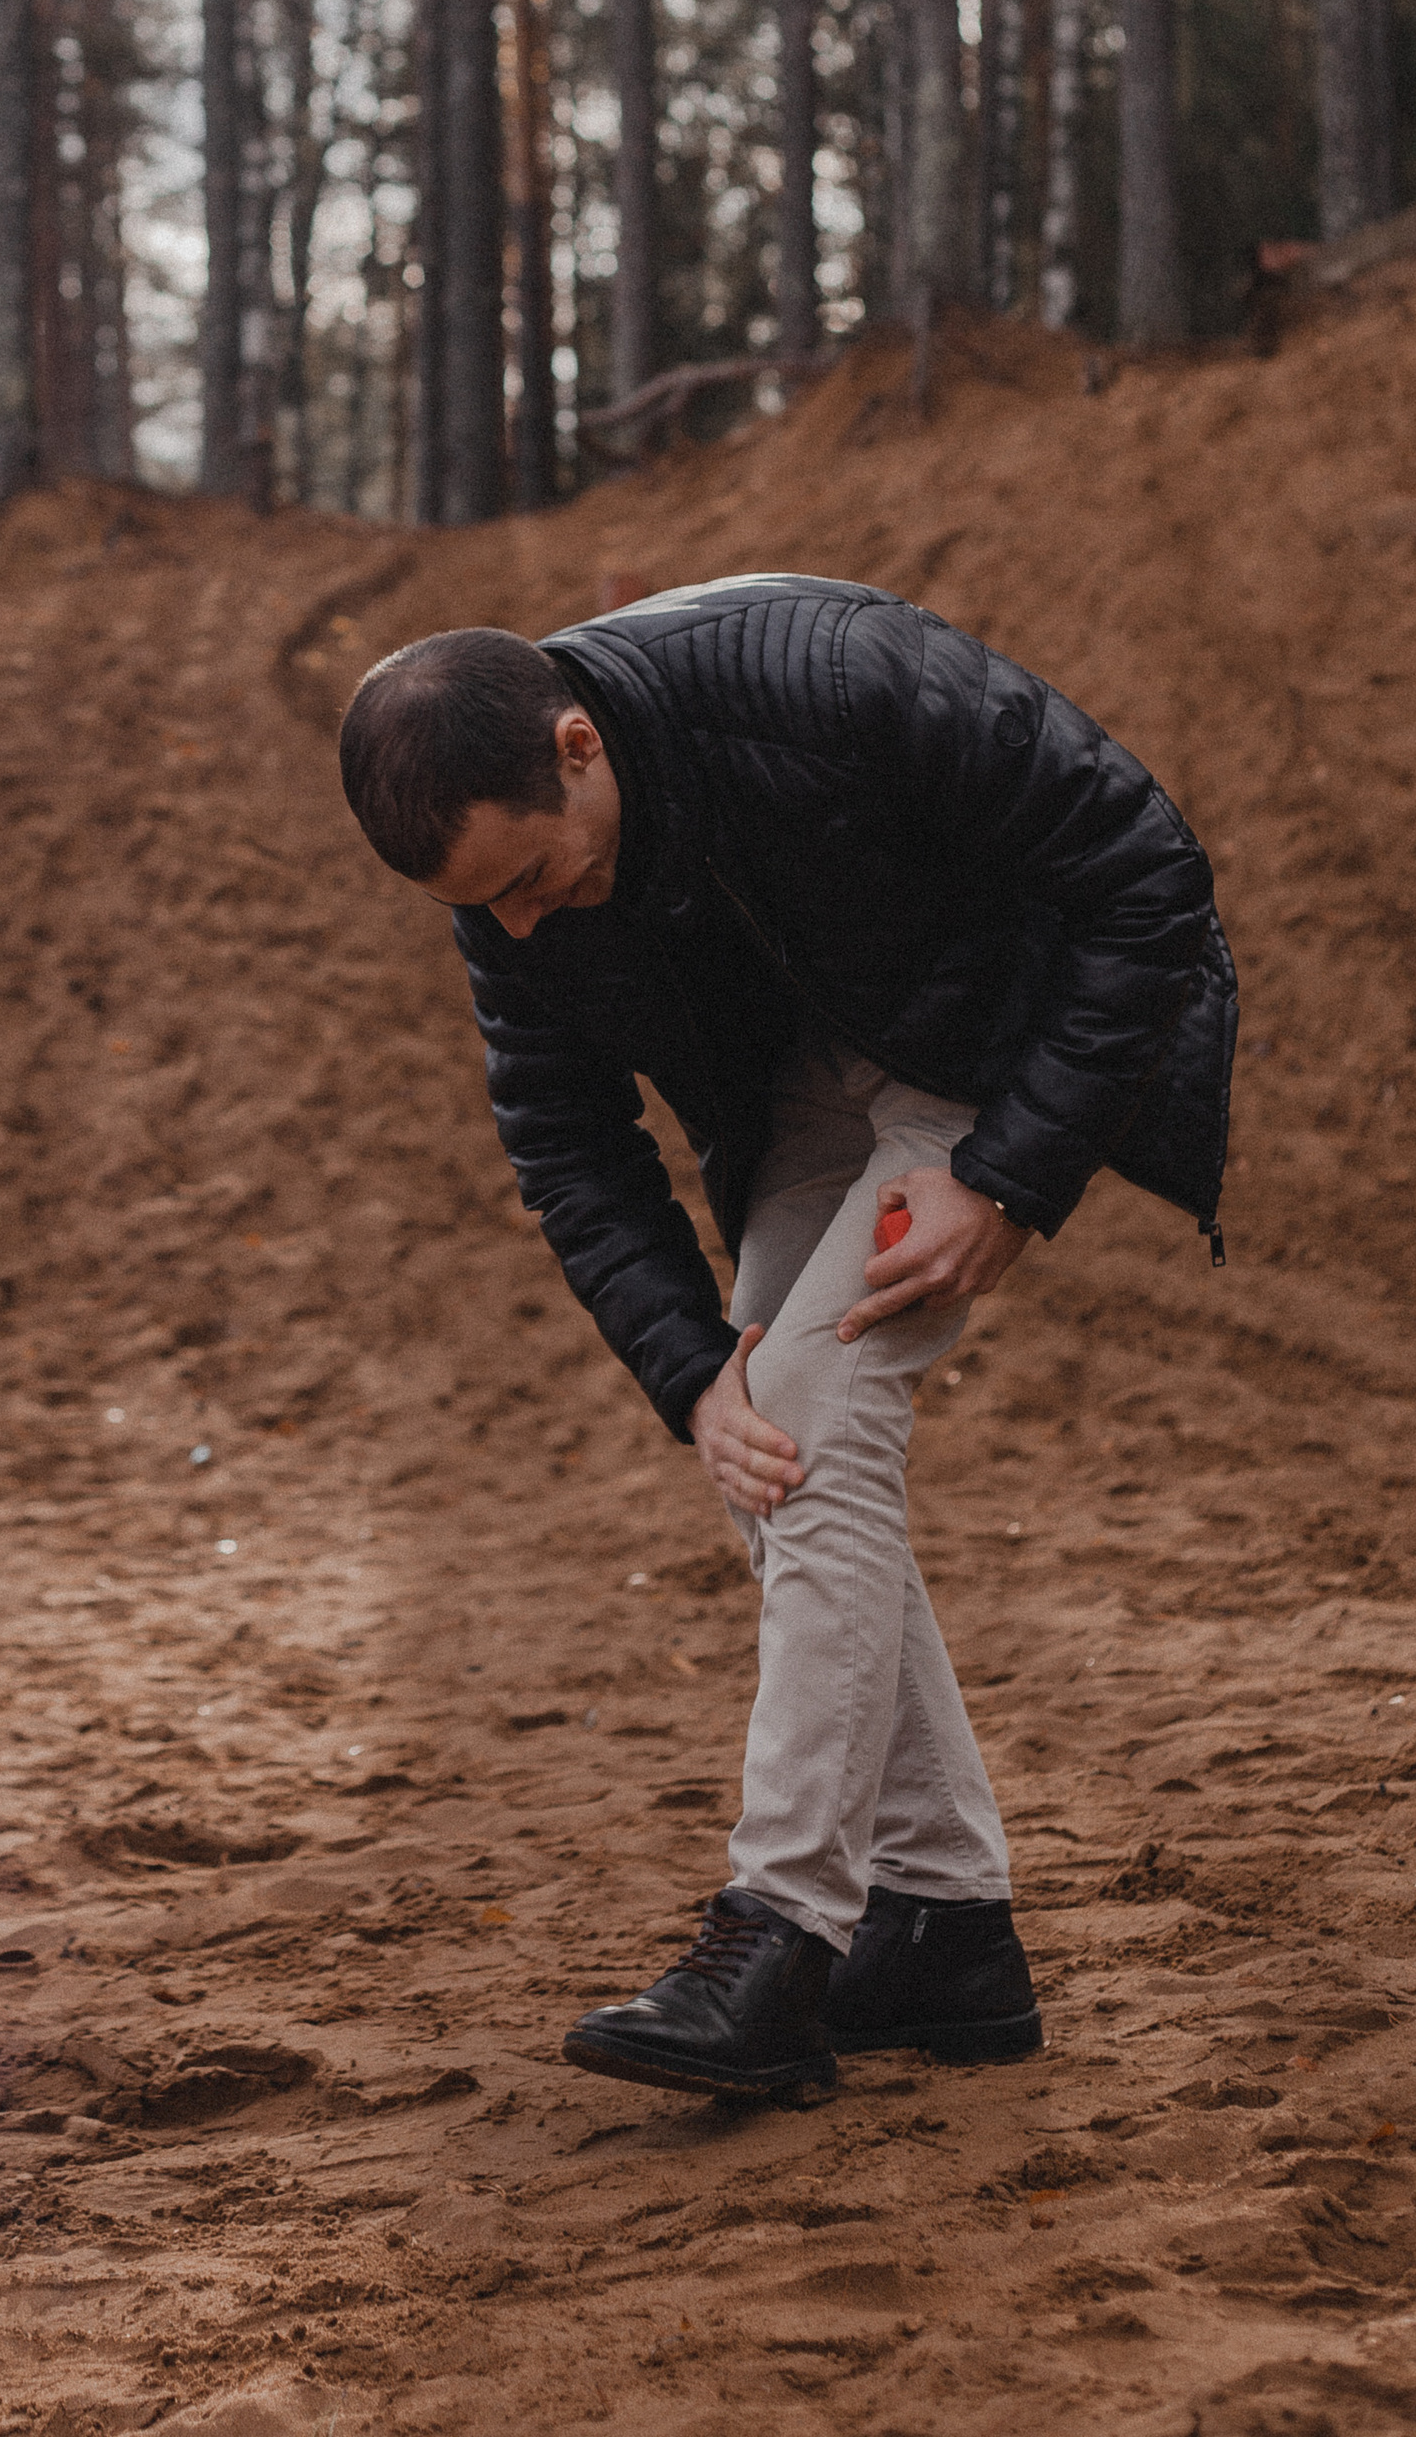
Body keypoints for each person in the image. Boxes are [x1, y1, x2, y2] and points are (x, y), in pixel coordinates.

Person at [337, 579, 1235, 2105]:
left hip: (1002, 1040)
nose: (520, 924)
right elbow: (567, 1144)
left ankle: (780, 1927)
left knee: (812, 1421)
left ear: (576, 744)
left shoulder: (827, 676)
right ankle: (947, 1925)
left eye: (535, 876)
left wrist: (1014, 1169)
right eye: (482, 907)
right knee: (768, 1447)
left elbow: (1148, 880)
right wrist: (694, 1377)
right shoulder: (509, 891)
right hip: (807, 1088)